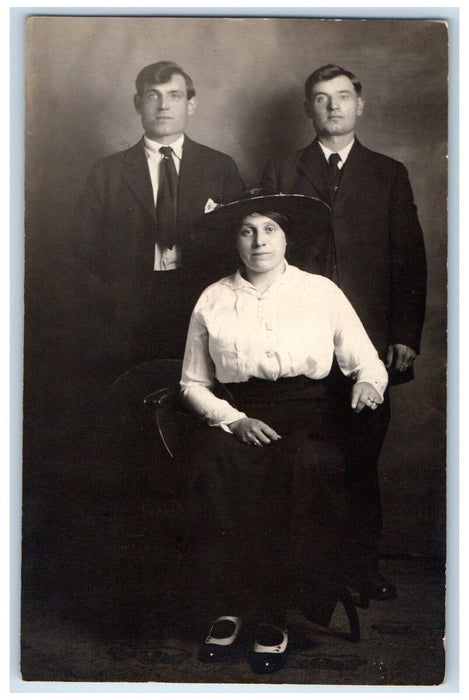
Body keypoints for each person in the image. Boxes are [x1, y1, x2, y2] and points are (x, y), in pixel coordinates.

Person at [179, 192, 388, 674]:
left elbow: (367, 362)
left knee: (302, 466)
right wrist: (234, 420)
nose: (259, 241)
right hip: (243, 417)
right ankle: (228, 605)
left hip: (311, 416)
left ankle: (277, 613)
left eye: (270, 230)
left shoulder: (320, 291)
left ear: (287, 237)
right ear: (234, 240)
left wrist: (369, 385)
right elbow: (192, 383)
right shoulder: (213, 298)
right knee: (209, 461)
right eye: (247, 231)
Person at [260, 64, 427, 602]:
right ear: (308, 109)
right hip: (299, 342)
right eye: (320, 99)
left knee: (359, 457)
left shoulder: (388, 173)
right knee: (305, 456)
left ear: (360, 104)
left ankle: (361, 565)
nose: (333, 107)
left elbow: (409, 257)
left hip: (370, 339)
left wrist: (404, 332)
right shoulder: (284, 169)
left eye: (343, 97)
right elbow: (261, 253)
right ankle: (309, 575)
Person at [73, 60, 244, 387]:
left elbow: (236, 244)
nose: (164, 105)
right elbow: (82, 248)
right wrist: (111, 299)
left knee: (200, 393)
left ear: (190, 104)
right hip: (127, 305)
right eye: (153, 96)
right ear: (138, 104)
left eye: (175, 96)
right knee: (132, 391)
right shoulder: (108, 172)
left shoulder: (219, 166)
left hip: (200, 300)